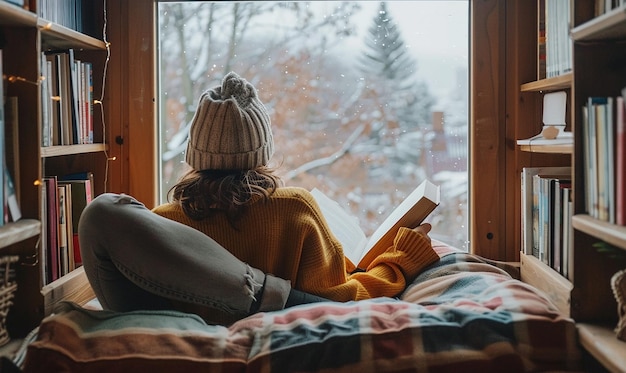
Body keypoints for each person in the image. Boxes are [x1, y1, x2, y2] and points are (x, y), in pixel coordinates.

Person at [80, 72, 439, 325]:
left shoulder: (164, 222)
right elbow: (342, 301)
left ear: (195, 154)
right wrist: (401, 261)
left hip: (173, 330)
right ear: (261, 152)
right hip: (283, 319)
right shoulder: (294, 210)